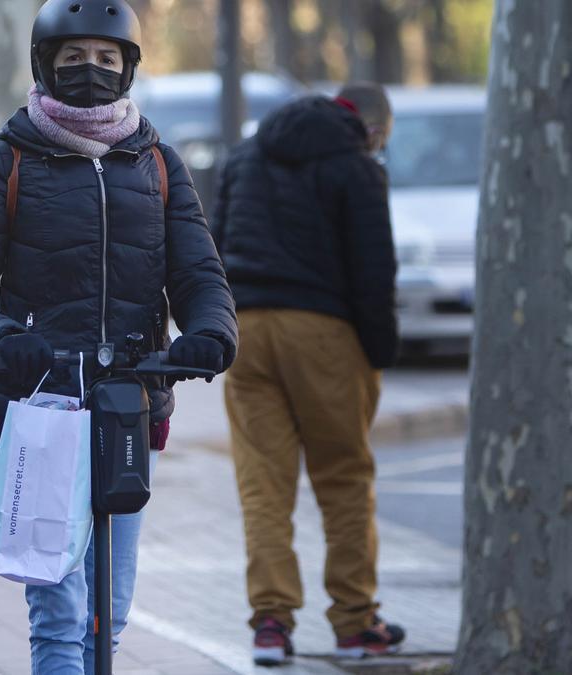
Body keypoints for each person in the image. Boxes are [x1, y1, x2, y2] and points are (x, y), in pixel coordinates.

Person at [0, 1, 238, 672]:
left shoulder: (158, 164)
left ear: (129, 68)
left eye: (106, 59)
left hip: (130, 404)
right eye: (73, 59)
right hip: (39, 409)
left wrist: (212, 331)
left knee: (110, 613)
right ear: (44, 66)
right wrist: (0, 338)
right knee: (61, 617)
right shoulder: (5, 161)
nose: (90, 72)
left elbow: (199, 275)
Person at [211, 83, 405, 665]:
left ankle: (270, 623)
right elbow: (375, 270)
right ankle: (353, 623)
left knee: (262, 484)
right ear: (372, 130)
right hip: (324, 333)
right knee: (344, 477)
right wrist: (379, 351)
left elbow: (212, 245)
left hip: (246, 329)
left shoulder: (246, 156)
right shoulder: (357, 167)